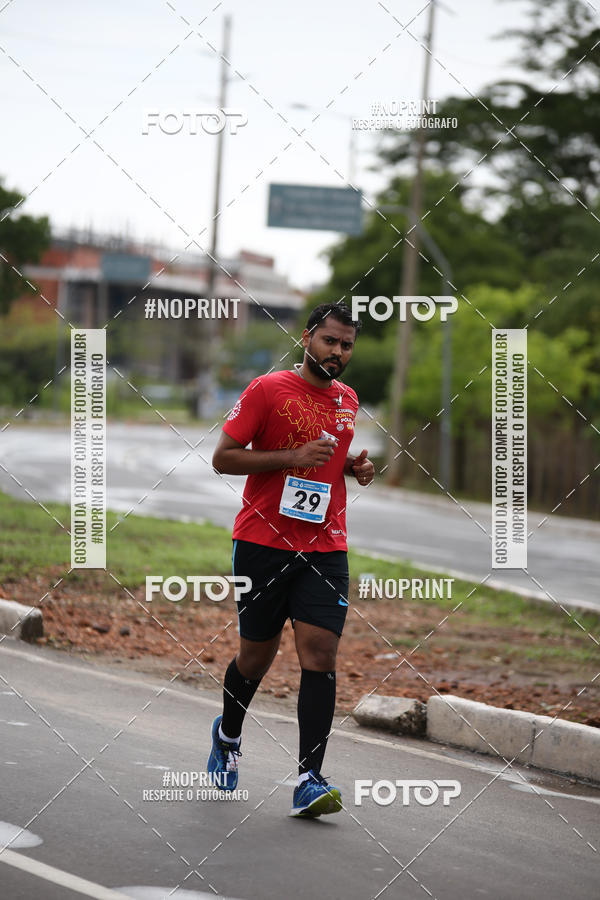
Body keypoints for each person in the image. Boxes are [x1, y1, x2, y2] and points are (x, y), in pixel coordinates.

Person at [207, 302, 374, 817]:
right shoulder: (267, 389)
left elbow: (327, 457)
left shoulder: (348, 399)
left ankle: (309, 778)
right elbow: (224, 457)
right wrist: (291, 458)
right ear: (308, 338)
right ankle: (228, 736)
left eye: (346, 345)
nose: (337, 352)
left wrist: (351, 466)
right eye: (329, 341)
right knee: (256, 655)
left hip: (325, 548)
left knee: (320, 654)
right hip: (262, 542)